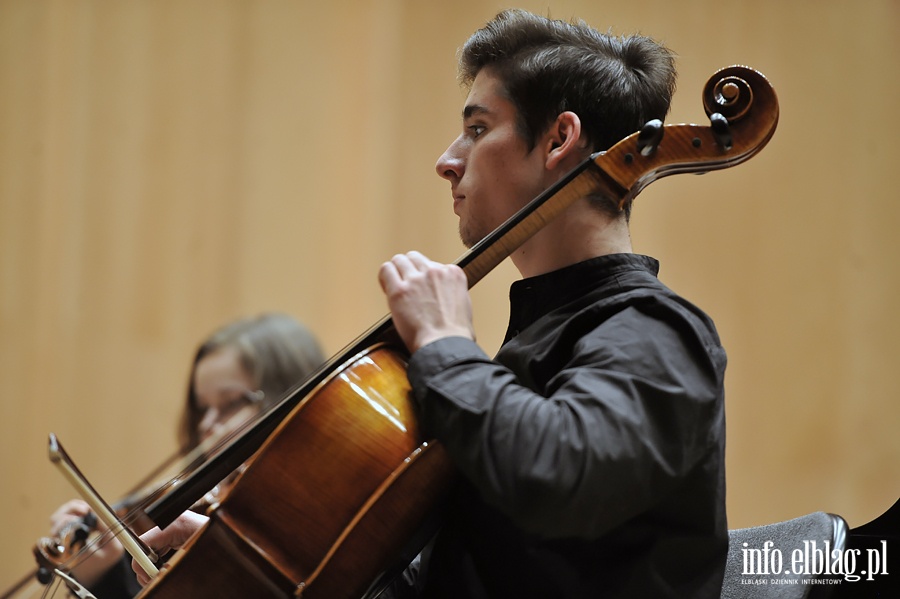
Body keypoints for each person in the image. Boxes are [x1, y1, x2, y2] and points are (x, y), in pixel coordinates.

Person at [135, 9, 727, 598]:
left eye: (476, 129)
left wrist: (444, 344)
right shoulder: (531, 349)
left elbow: (556, 478)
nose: (447, 161)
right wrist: (250, 570)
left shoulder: (655, 331)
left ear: (558, 140)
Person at [47, 312, 325, 598]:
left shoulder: (325, 526)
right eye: (203, 408)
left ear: (289, 398)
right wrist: (102, 575)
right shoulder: (193, 520)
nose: (206, 424)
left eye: (230, 403)